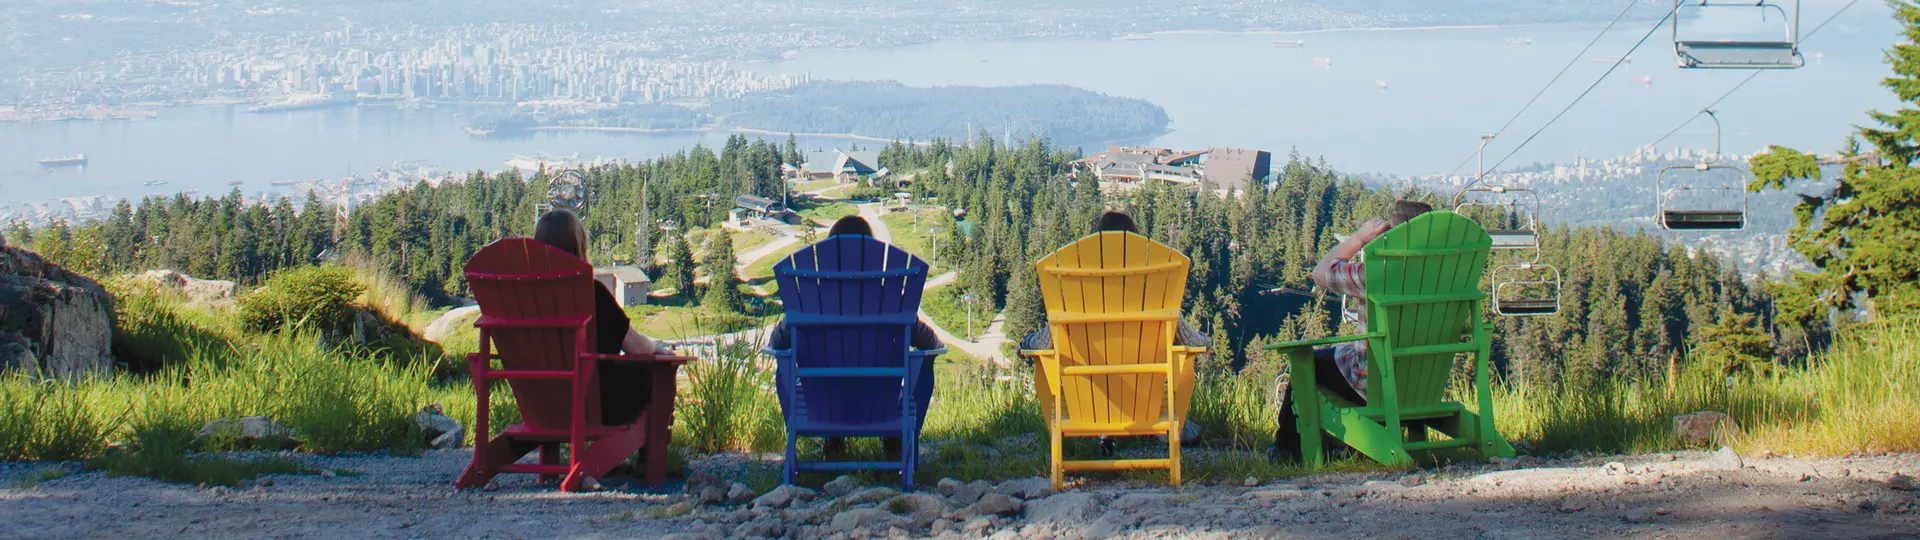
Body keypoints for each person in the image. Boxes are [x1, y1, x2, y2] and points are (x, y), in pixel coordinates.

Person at [1018, 209, 1211, 447]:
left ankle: (1103, 436)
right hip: (1143, 399)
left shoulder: (1076, 294)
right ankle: (1166, 432)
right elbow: (1194, 342)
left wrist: (1025, 343)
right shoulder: (1155, 293)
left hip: (1088, 401)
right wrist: (1207, 341)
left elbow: (1042, 344)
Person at [766, 216, 944, 457]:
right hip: (879, 406)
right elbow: (929, 343)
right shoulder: (890, 301)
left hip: (824, 407)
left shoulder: (809, 302)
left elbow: (776, 344)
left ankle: (833, 441)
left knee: (794, 366)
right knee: (920, 362)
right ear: (871, 254)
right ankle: (896, 439)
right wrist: (934, 346)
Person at [1270, 200, 1432, 463]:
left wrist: (1360, 238)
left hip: (1375, 384)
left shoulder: (1375, 274)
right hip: (1424, 382)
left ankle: (1287, 448)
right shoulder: (1444, 276)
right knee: (1332, 355)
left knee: (1307, 363)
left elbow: (1320, 272)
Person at [532, 209, 671, 426]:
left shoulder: (527, 299)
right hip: (595, 403)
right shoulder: (592, 293)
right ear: (578, 247)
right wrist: (656, 349)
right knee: (655, 368)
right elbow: (637, 348)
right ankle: (648, 456)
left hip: (541, 405)